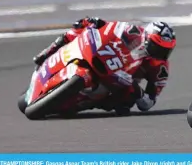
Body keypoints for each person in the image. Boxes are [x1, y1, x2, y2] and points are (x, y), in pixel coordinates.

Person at [33, 16, 176, 115]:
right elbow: (110, 28)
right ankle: (48, 52)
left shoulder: (160, 68)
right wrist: (95, 22)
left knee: (124, 104)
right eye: (157, 47)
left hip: (123, 82)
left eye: (165, 50)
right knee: (79, 28)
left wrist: (138, 92)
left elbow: (148, 103)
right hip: (108, 60)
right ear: (147, 38)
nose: (160, 53)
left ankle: (92, 103)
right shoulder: (132, 31)